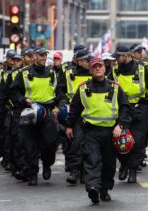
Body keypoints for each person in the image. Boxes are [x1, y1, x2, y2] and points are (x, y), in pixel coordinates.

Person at [65, 57, 131, 204]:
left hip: (111, 132)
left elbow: (125, 108)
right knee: (92, 160)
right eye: (94, 67)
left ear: (104, 68)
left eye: (99, 66)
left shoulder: (115, 87)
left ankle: (105, 189)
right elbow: (75, 109)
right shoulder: (83, 88)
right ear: (90, 70)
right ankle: (93, 188)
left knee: (109, 164)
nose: (97, 69)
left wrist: (120, 126)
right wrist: (69, 125)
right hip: (91, 132)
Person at [109, 46, 148, 183]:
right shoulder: (114, 71)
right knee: (120, 141)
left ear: (126, 56)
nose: (117, 60)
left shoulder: (142, 69)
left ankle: (132, 169)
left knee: (137, 142)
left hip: (140, 109)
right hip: (121, 111)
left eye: (118, 57)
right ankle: (124, 164)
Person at [10, 47, 59, 186]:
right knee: (30, 145)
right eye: (41, 55)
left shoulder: (51, 72)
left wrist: (59, 104)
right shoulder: (24, 73)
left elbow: (59, 91)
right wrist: (23, 100)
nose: (44, 58)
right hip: (30, 112)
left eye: (45, 55)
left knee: (50, 143)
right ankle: (32, 174)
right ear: (35, 56)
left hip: (47, 112)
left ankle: (47, 164)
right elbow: (14, 91)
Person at [57, 49, 92, 185]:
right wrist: (63, 100)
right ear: (79, 61)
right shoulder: (68, 73)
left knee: (88, 143)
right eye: (87, 61)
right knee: (76, 142)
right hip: (74, 111)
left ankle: (84, 171)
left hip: (91, 112)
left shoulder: (94, 72)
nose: (89, 63)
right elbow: (60, 89)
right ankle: (74, 170)